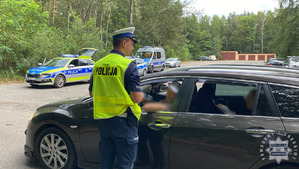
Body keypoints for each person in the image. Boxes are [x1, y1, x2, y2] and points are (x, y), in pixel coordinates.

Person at [89, 27, 143, 169]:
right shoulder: (128, 66)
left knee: (105, 163)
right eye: (132, 43)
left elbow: (91, 93)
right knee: (125, 164)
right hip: (124, 123)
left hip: (104, 123)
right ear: (124, 43)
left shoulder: (98, 64)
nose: (132, 47)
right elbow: (137, 98)